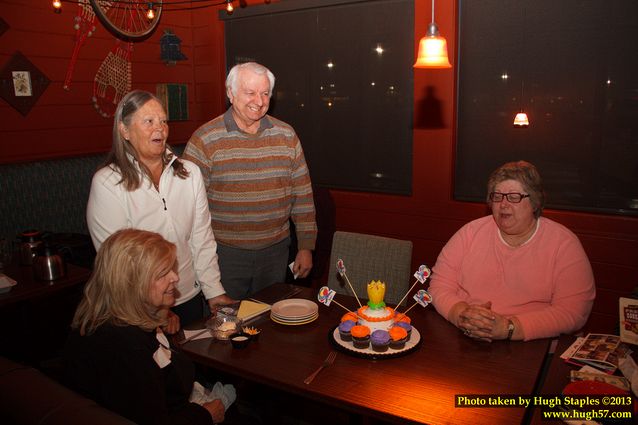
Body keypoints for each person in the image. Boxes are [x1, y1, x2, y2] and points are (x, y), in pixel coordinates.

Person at [86, 90, 234, 329]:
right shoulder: (107, 183)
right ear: (124, 131)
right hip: (136, 308)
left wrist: (214, 291)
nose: (160, 128)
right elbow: (117, 263)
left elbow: (201, 238)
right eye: (149, 121)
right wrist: (154, 310)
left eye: (163, 121)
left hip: (188, 296)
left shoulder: (190, 173)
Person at [64, 229, 227, 425]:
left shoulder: (119, 320)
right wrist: (205, 415)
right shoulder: (125, 352)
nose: (175, 277)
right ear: (131, 284)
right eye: (162, 273)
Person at [183, 62, 317, 299]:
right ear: (230, 93)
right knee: (226, 326)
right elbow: (188, 207)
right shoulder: (204, 139)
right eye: (250, 92)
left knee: (270, 323)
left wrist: (306, 246)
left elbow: (303, 195)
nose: (259, 100)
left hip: (276, 253)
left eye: (265, 93)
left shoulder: (287, 135)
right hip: (223, 256)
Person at [428, 160, 596, 341]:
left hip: (535, 345)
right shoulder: (470, 233)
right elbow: (439, 285)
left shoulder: (563, 243)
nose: (503, 204)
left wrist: (509, 328)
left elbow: (573, 312)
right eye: (497, 196)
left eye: (514, 197)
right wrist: (462, 315)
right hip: (467, 335)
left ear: (534, 202)